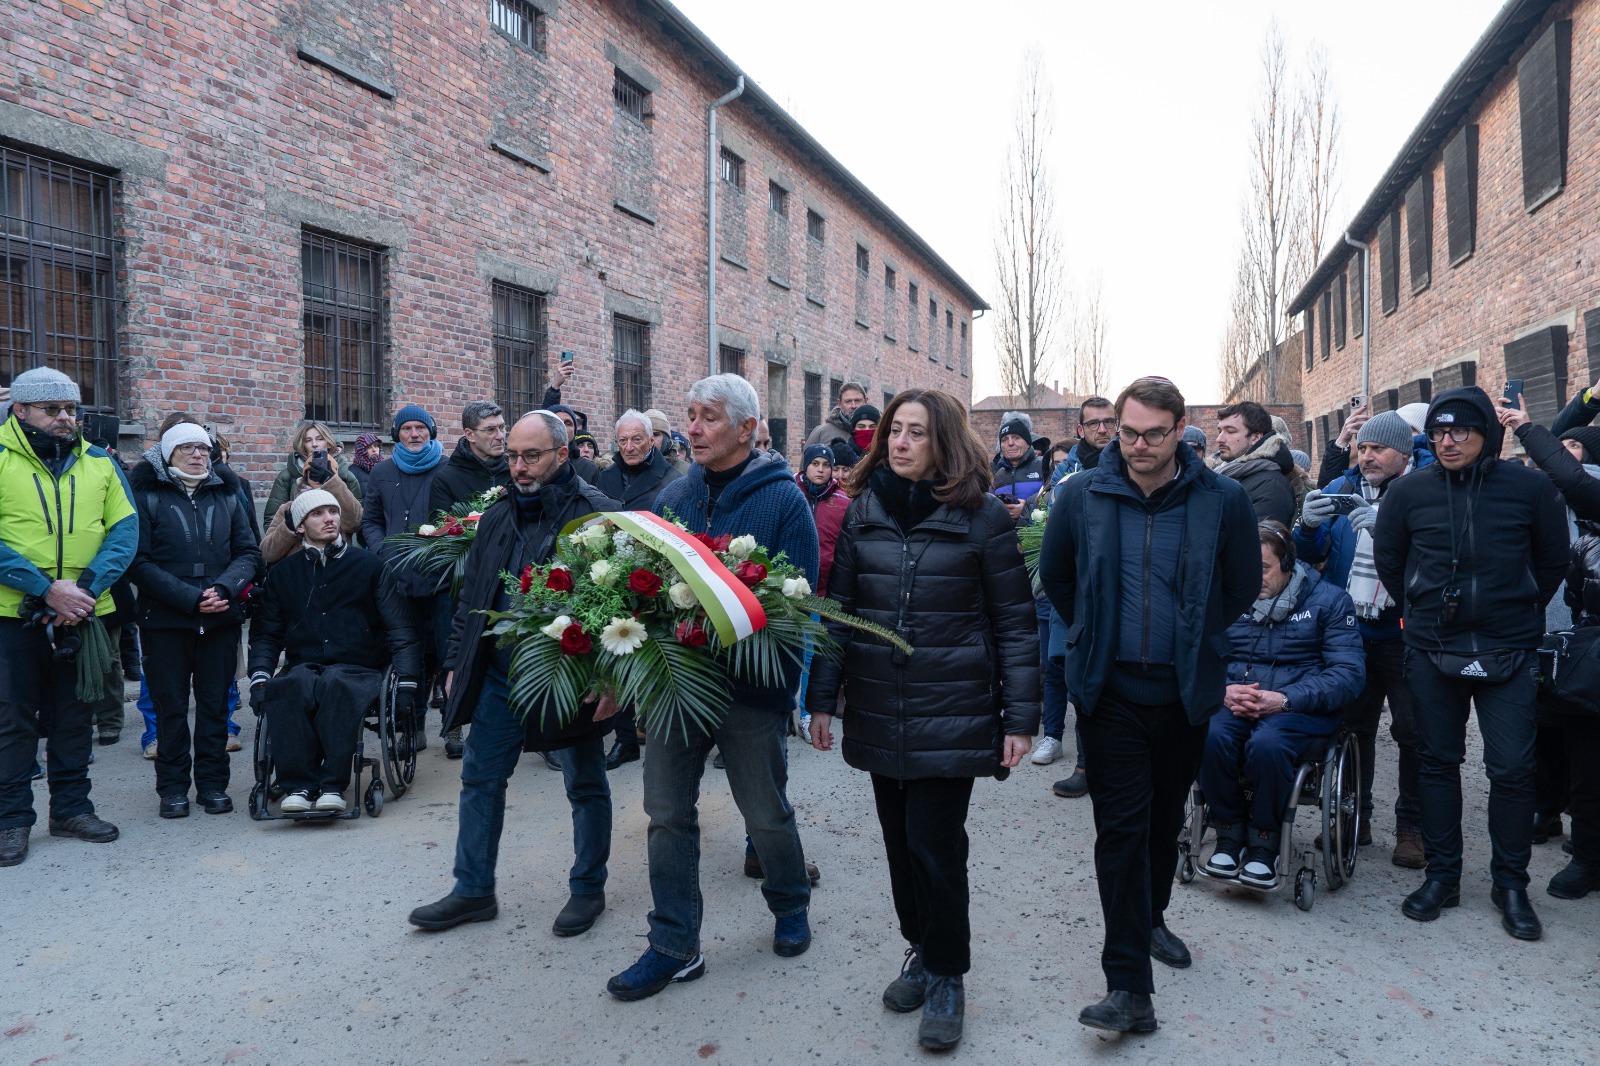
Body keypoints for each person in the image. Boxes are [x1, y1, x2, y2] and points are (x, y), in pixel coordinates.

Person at [806, 389, 1038, 1051]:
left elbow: (1017, 626)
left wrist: (1019, 718)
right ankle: (919, 946)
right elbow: (839, 610)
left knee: (936, 846)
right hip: (880, 708)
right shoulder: (864, 512)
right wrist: (822, 700)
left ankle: (947, 973)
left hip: (953, 710)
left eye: (916, 433)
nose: (902, 442)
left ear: (943, 443)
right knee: (901, 844)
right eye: (895, 432)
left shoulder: (983, 518)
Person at [1038, 376, 1258, 1033]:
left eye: (1153, 435)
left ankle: (1153, 914)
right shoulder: (1083, 497)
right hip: (1110, 693)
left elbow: (1242, 582)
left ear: (1180, 429)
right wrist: (1094, 635)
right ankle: (1129, 986)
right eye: (1127, 432)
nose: (1136, 445)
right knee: (1121, 833)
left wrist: (1192, 633)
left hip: (1185, 693)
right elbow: (1058, 576)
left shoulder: (1223, 500)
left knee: (1164, 824)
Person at [606, 374, 820, 1002]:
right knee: (667, 814)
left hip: (751, 692)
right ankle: (674, 944)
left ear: (750, 429)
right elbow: (636, 579)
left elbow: (801, 600)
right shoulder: (675, 494)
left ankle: (789, 903)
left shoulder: (785, 501)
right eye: (691, 416)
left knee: (765, 814)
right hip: (678, 686)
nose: (692, 428)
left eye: (708, 418)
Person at [409, 412, 621, 935]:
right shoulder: (499, 515)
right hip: (500, 676)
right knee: (480, 779)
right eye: (511, 456)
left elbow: (625, 610)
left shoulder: (600, 517)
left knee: (585, 783)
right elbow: (473, 597)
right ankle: (473, 889)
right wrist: (458, 662)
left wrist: (612, 677)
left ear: (563, 455)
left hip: (571, 676)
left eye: (531, 456)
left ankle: (587, 888)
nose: (519, 467)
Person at [1374, 386, 1567, 941]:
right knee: (1436, 762)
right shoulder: (1410, 493)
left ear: (1489, 434)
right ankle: (1443, 877)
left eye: (1460, 431)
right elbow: (1391, 558)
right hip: (1433, 650)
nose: (1447, 441)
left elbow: (1551, 558)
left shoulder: (1530, 489)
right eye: (1437, 432)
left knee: (1511, 770)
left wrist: (1519, 602)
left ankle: (1511, 885)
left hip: (1509, 649)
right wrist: (1420, 605)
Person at [0, 368, 137, 866]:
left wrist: (83, 591)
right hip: (14, 615)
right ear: (21, 410)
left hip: (83, 613)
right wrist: (44, 588)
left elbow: (124, 530)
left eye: (71, 410)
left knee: (75, 716)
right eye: (52, 409)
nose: (65, 419)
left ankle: (72, 810)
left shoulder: (99, 461)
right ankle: (11, 820)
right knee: (13, 720)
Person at [1295, 410, 1432, 868]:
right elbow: (1307, 556)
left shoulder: (1425, 490)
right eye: (1364, 447)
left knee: (1413, 732)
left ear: (1404, 452)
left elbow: (1438, 555)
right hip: (1350, 629)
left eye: (1379, 449)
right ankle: (1354, 817)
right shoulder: (1342, 489)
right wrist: (1308, 526)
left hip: (1404, 630)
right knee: (1353, 728)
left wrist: (1387, 529)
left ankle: (1411, 828)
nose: (1367, 456)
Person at [1199, 522, 1365, 888]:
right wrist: (1223, 690)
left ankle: (1264, 840)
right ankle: (1229, 829)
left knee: (1268, 745)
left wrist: (1286, 699)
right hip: (1235, 702)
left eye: (1262, 567)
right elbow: (1198, 658)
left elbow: (1348, 674)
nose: (1252, 577)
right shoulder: (1225, 598)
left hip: (1299, 711)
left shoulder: (1331, 602)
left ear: (1288, 563)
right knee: (1206, 734)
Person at [248, 490, 423, 813]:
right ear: (299, 527)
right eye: (318, 514)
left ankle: (332, 784)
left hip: (359, 666)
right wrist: (259, 677)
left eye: (333, 511)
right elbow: (266, 635)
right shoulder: (283, 575)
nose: (329, 518)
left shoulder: (369, 566)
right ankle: (298, 785)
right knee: (288, 686)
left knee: (336, 685)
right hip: (305, 663)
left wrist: (409, 680)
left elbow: (400, 628)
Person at [127, 422, 260, 818]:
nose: (197, 455)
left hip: (220, 617)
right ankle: (172, 789)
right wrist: (189, 599)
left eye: (202, 448)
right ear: (168, 454)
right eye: (186, 448)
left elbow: (249, 552)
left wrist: (223, 590)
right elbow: (138, 561)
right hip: (165, 620)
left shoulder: (229, 490)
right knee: (170, 708)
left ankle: (214, 785)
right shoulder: (146, 494)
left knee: (215, 705)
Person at [594, 409, 684, 768]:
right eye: (623, 441)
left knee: (656, 657)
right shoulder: (606, 477)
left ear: (652, 440)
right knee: (618, 651)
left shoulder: (671, 479)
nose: (629, 447)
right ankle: (625, 738)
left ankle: (665, 740)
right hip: (613, 575)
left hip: (655, 577)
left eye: (637, 440)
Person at [361, 404, 452, 750]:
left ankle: (453, 724)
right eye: (407, 429)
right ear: (396, 434)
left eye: (420, 428)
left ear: (431, 431)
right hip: (397, 579)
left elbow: (462, 518)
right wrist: (382, 550)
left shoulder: (447, 468)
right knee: (407, 654)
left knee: (447, 651)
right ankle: (411, 727)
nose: (414, 434)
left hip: (440, 578)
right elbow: (370, 520)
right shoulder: (383, 472)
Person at [794, 443, 851, 735]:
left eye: (826, 465)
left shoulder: (842, 503)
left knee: (809, 655)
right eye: (815, 463)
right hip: (787, 590)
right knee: (784, 655)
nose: (820, 469)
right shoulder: (791, 494)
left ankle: (805, 715)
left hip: (820, 593)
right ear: (805, 465)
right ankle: (780, 715)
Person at [1210, 401, 1296, 526]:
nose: (1219, 439)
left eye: (1230, 431)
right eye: (1220, 431)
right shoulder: (1221, 472)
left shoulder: (1271, 486)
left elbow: (1258, 542)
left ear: (1255, 438)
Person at [262, 420, 364, 522]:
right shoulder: (286, 476)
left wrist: (333, 482)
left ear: (329, 443)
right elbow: (271, 520)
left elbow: (357, 519)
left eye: (320, 439)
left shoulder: (346, 475)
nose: (314, 444)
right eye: (308, 440)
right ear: (303, 445)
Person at [429, 402, 509, 517]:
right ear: (470, 434)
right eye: (490, 430)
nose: (500, 436)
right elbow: (441, 530)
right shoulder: (446, 480)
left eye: (502, 427)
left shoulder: (518, 469)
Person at [990, 412, 1048, 524]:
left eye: (1016, 438)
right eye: (1004, 439)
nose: (1010, 443)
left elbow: (1056, 502)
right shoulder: (999, 476)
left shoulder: (1044, 466)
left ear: (1027, 442)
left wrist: (1026, 510)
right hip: (1004, 538)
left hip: (1034, 538)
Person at [1049, 396, 1117, 485]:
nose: (1102, 430)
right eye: (1093, 423)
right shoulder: (1063, 471)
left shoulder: (1129, 463)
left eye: (1108, 422)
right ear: (1081, 431)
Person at [546, 405, 600, 482]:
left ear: (575, 431)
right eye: (558, 422)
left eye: (568, 423)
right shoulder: (534, 462)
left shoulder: (589, 468)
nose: (563, 427)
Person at [806, 380, 867, 447]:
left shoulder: (876, 433)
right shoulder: (821, 432)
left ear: (865, 401)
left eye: (857, 400)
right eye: (848, 401)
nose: (853, 406)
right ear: (839, 403)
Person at [645, 409, 689, 475]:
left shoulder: (686, 471)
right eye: (646, 435)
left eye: (656, 435)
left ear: (666, 439)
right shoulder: (629, 467)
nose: (651, 440)